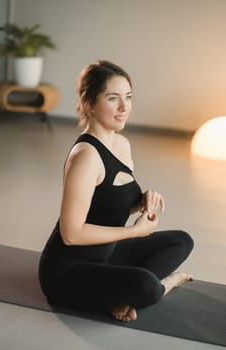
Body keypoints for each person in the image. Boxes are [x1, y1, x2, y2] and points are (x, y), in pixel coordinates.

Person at [39, 60, 194, 322]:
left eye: (128, 97)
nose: (124, 108)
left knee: (181, 241)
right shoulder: (86, 157)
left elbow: (108, 202)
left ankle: (119, 294)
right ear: (89, 102)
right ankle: (164, 286)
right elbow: (71, 233)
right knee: (145, 285)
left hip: (107, 255)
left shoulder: (121, 143)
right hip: (68, 273)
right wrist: (133, 232)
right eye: (113, 98)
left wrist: (142, 201)